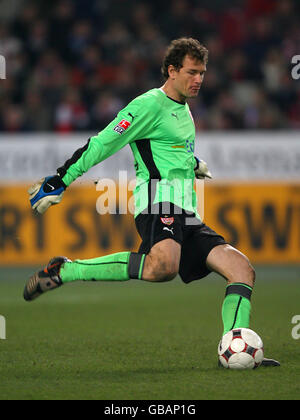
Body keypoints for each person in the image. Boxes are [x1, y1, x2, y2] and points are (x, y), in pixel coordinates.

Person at [24, 38, 279, 367]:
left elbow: (170, 148)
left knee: (241, 269)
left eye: (202, 72)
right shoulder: (147, 105)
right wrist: (60, 180)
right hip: (158, 202)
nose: (199, 79)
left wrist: (192, 163)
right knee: (163, 266)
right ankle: (66, 270)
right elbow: (103, 142)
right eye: (192, 72)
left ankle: (234, 346)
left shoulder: (185, 109)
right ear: (172, 71)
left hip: (187, 212)